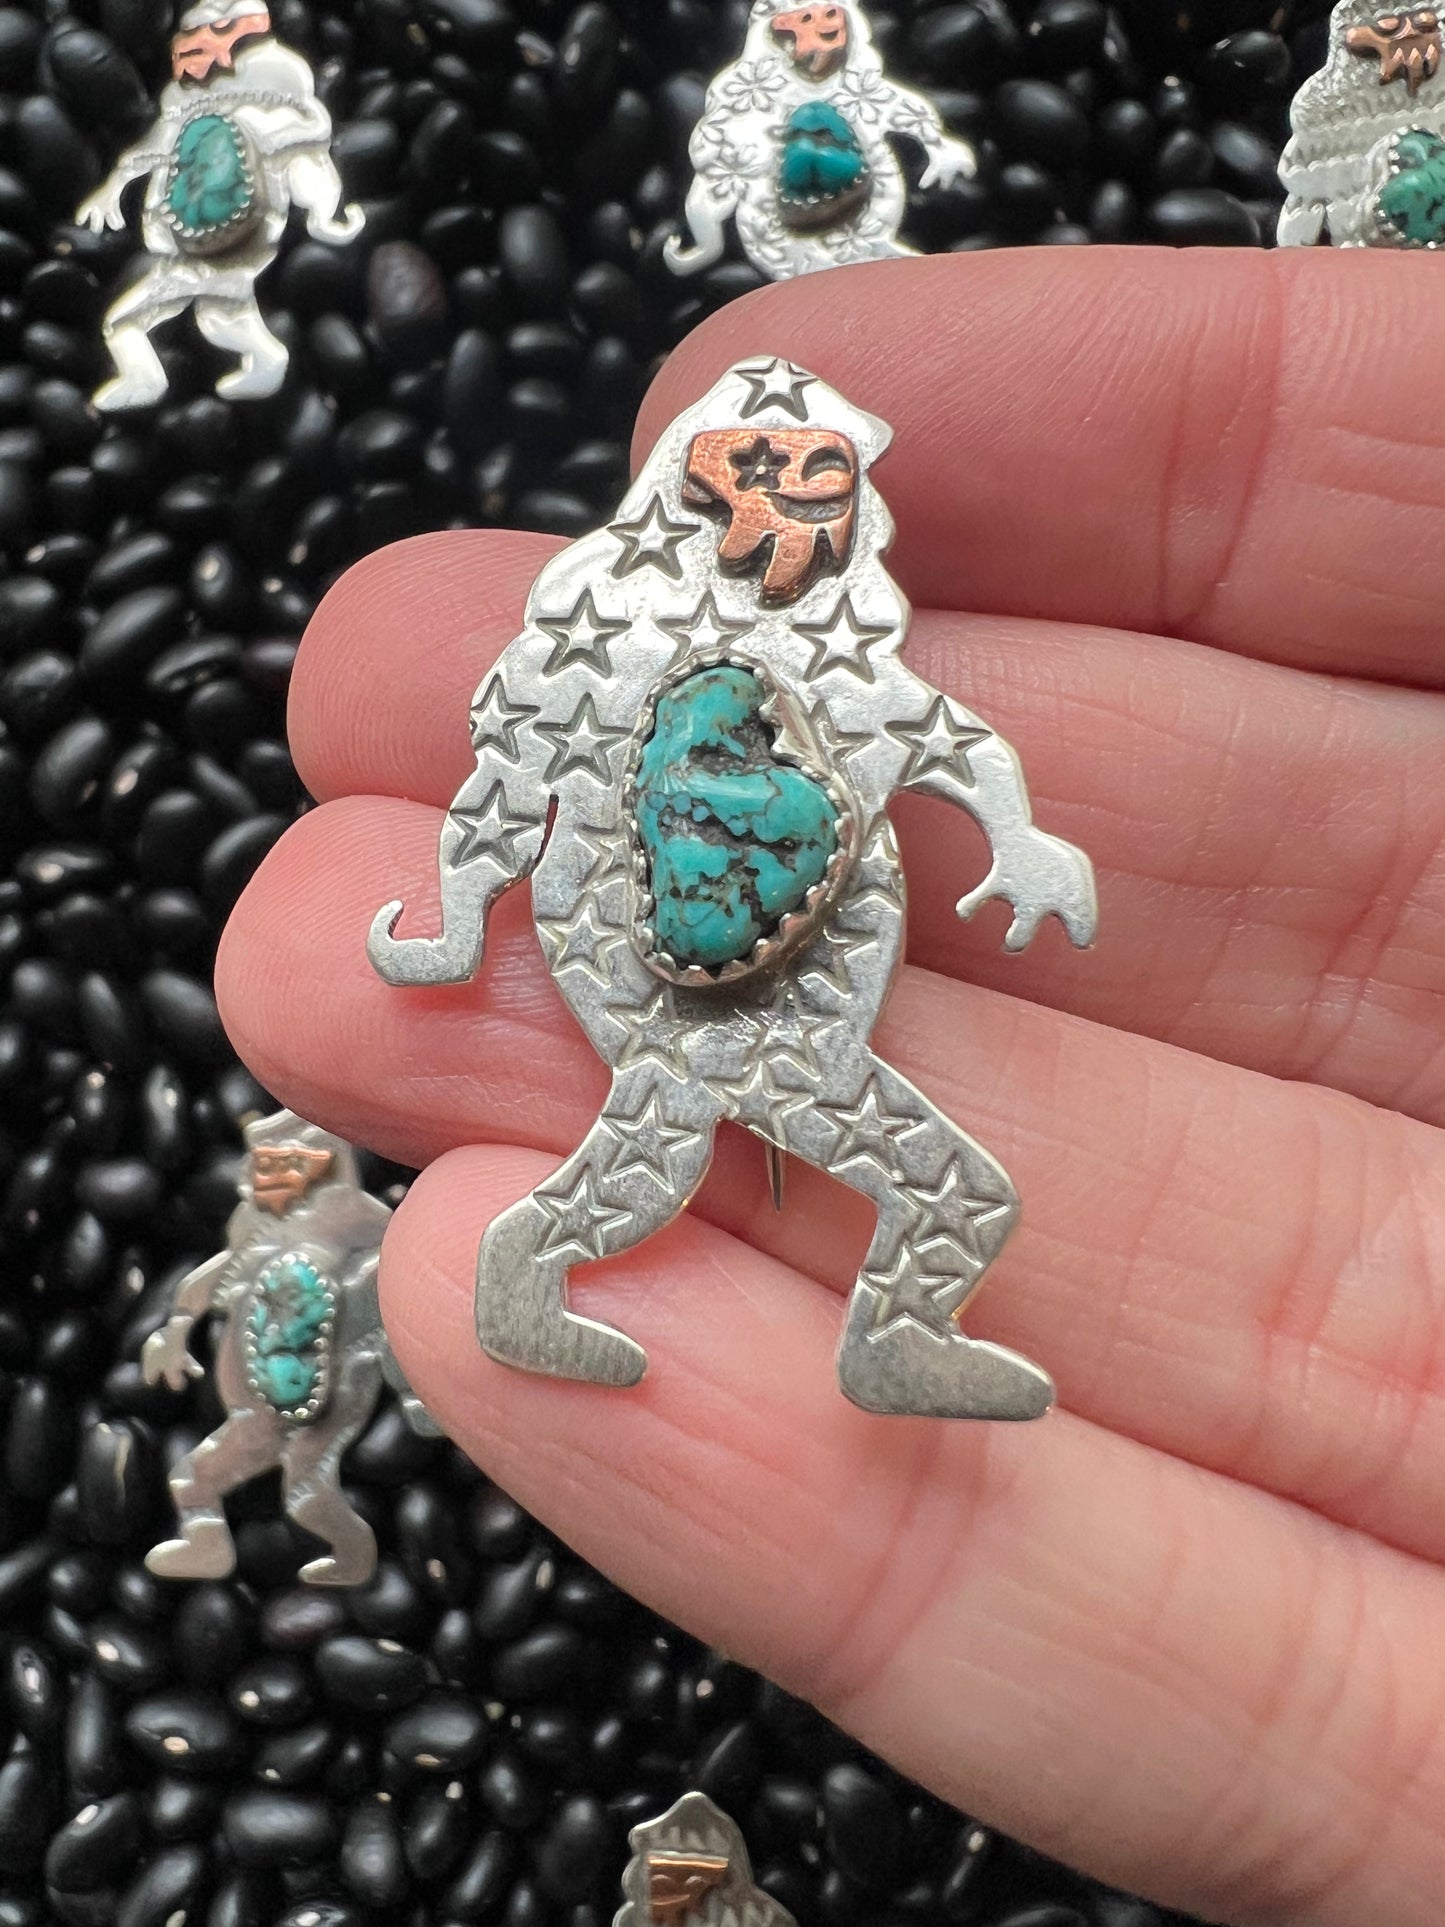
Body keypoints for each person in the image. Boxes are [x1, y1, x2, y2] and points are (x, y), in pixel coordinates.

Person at [216, 249, 1445, 1926]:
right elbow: (506, 788)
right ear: (690, 483)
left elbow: (942, 740)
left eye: (817, 476)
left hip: (783, 959)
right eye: (761, 471)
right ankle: (848, 1326)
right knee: (938, 1187)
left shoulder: (838, 647)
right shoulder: (597, 639)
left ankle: (545, 1282)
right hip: (661, 962)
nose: (793, 502)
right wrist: (448, 926)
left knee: (659, 1165)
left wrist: (1020, 837)